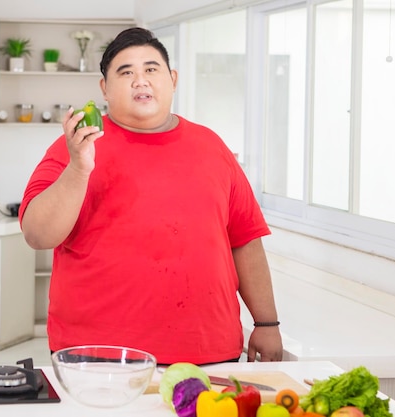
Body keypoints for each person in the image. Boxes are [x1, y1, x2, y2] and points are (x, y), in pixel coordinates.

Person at [19, 27, 283, 365]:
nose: (140, 80)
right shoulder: (76, 147)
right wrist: (79, 169)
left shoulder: (211, 146)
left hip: (206, 348)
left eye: (151, 69)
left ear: (172, 79)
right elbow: (37, 235)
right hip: (99, 354)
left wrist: (266, 322)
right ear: (105, 88)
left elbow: (245, 240)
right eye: (125, 72)